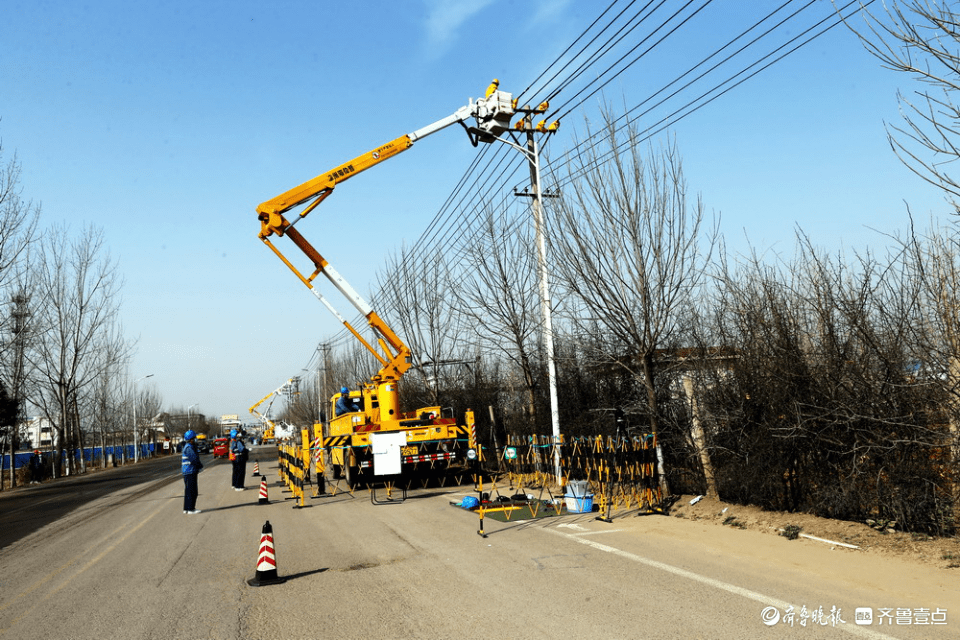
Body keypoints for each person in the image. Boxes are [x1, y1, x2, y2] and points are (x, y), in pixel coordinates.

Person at [181, 430, 203, 514]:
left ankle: (186, 508)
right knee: (192, 491)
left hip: (188, 471)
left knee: (188, 491)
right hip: (190, 471)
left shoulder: (188, 446)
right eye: (195, 438)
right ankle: (191, 509)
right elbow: (194, 459)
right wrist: (200, 466)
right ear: (191, 439)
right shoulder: (189, 447)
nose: (196, 439)